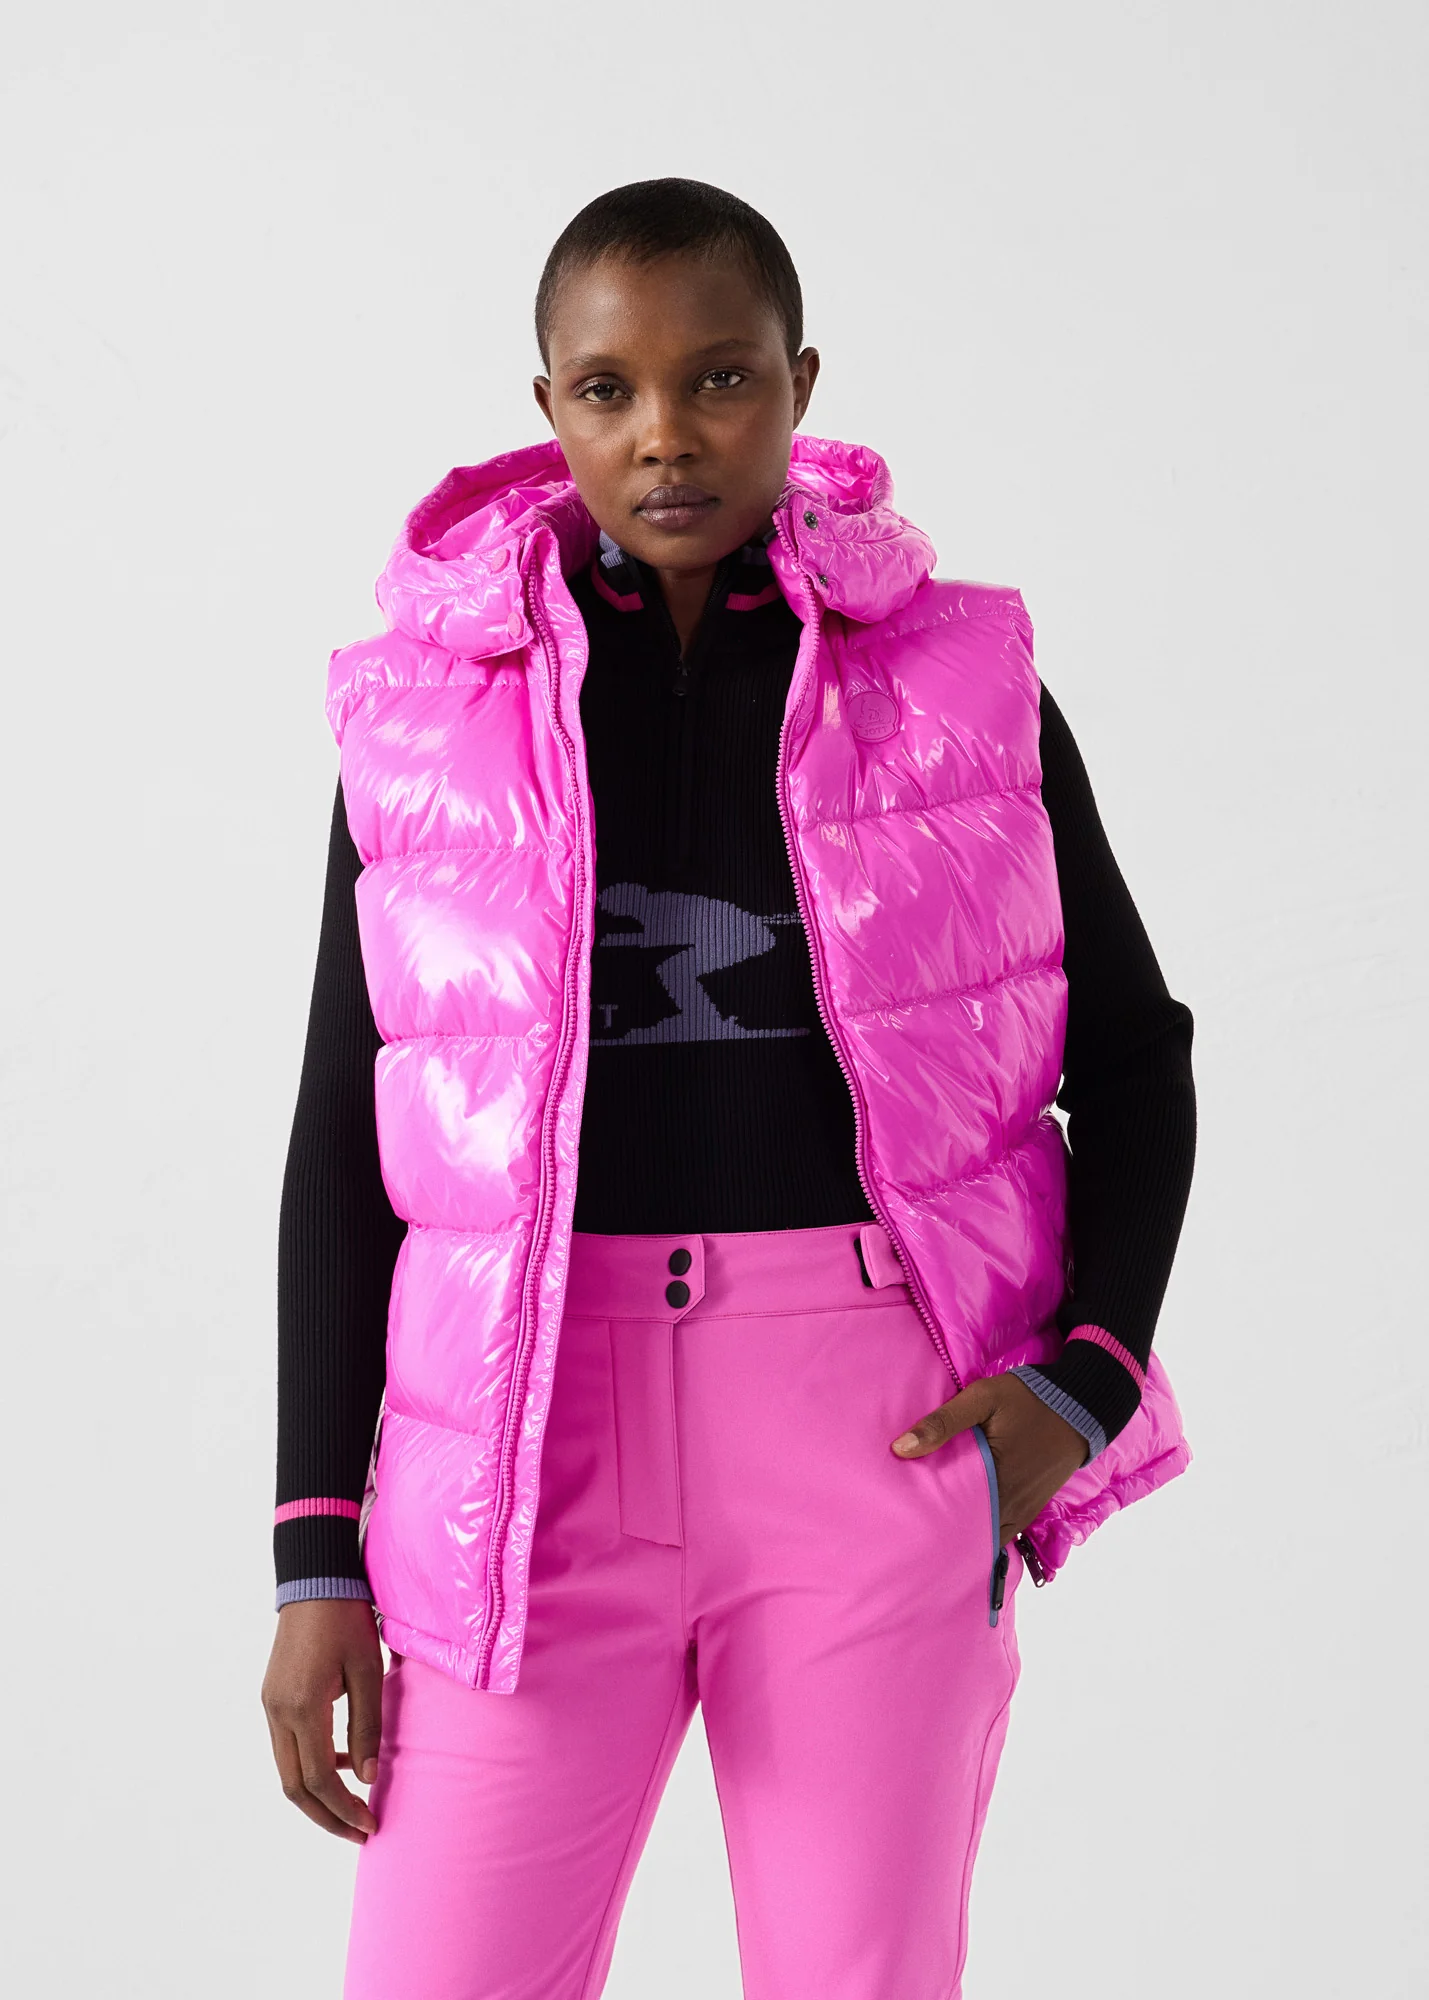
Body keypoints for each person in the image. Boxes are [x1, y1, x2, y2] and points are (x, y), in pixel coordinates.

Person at [261, 178, 1196, 1999]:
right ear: (549, 407)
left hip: (868, 1426)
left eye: (720, 379)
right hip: (523, 1441)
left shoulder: (965, 687)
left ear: (799, 385)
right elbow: (340, 1146)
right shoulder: (427, 720)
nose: (666, 434)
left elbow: (1136, 1060)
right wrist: (315, 1561)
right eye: (609, 389)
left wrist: (1080, 1390)